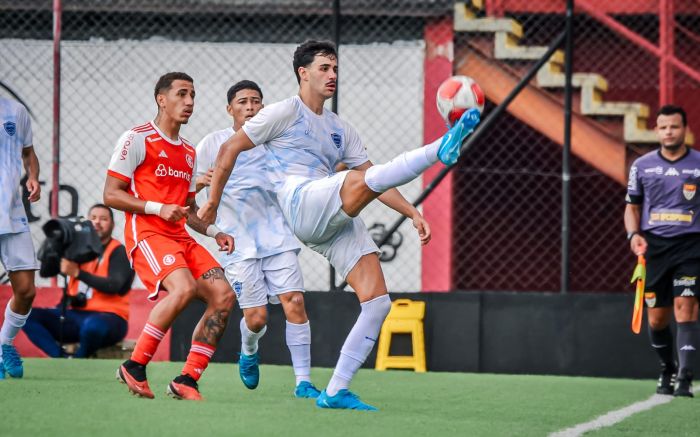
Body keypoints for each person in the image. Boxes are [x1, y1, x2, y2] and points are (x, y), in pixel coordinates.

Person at [199, 40, 480, 410]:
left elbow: (375, 177)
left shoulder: (340, 129)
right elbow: (229, 149)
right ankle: (438, 150)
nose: (333, 75)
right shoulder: (283, 112)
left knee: (378, 302)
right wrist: (214, 204)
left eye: (335, 68)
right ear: (303, 73)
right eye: (324, 68)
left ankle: (334, 391)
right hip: (300, 202)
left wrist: (412, 212)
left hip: (331, 213)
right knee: (350, 182)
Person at [103, 72, 237, 401]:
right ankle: (134, 365)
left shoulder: (189, 152)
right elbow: (111, 195)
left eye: (193, 95)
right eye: (181, 94)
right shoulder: (136, 138)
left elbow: (187, 210)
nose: (189, 101)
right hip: (147, 234)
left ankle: (187, 379)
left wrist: (215, 231)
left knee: (223, 296)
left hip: (180, 238)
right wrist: (157, 207)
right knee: (184, 288)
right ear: (161, 99)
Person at [196, 80, 320, 398]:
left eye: (256, 101)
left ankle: (303, 382)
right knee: (256, 318)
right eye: (243, 102)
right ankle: (249, 350)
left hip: (278, 238)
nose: (250, 107)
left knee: (295, 303)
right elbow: (185, 200)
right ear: (230, 109)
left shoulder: (276, 143)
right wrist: (199, 184)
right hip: (237, 244)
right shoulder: (213, 144)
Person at [625, 104, 700, 398]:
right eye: (663, 127)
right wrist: (634, 235)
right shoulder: (641, 166)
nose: (669, 132)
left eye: (675, 126)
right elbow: (632, 208)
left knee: (686, 305)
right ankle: (667, 368)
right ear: (656, 130)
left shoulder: (698, 164)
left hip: (691, 246)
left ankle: (685, 376)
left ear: (685, 130)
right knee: (657, 318)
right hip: (654, 247)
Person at [23, 204, 135, 358]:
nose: (97, 222)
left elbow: (114, 285)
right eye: (93, 218)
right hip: (75, 315)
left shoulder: (118, 250)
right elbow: (46, 272)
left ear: (112, 225)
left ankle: (79, 359)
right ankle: (60, 358)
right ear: (87, 223)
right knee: (26, 316)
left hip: (110, 317)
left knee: (93, 327)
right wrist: (56, 242)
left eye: (103, 219)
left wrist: (77, 272)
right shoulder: (75, 247)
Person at [0, 96, 41, 380]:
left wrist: (33, 176)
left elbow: (28, 153)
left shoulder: (15, 111)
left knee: (26, 290)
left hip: (11, 212)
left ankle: (4, 344)